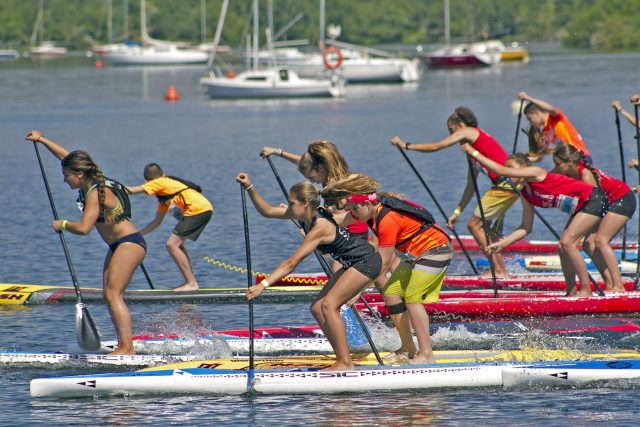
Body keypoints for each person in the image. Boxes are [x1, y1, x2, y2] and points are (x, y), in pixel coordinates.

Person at [237, 173, 382, 371]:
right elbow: (268, 211)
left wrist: (263, 285)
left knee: (329, 305)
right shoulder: (304, 214)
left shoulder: (319, 226)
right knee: (317, 307)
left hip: (366, 261)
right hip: (353, 262)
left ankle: (345, 363)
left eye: (291, 203)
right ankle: (342, 357)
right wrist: (249, 187)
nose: (288, 207)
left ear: (305, 203)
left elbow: (291, 263)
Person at [25, 130, 146, 355]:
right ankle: (123, 344)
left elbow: (83, 228)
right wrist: (42, 140)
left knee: (113, 294)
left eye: (66, 175)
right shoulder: (89, 181)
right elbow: (66, 157)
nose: (63, 179)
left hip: (129, 243)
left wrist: (62, 224)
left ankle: (127, 348)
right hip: (118, 245)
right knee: (107, 294)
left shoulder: (95, 193)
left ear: (79, 174)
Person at [321, 174, 454, 364]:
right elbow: (339, 220)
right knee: (391, 293)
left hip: (436, 250)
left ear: (367, 204)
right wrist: (312, 218)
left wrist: (357, 290)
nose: (353, 214)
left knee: (413, 298)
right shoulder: (367, 212)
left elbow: (382, 264)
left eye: (354, 209)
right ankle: (407, 349)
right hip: (415, 254)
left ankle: (426, 354)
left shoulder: (387, 221)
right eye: (351, 209)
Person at [459, 143, 608, 297]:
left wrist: (473, 152)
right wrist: (501, 244)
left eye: (512, 168)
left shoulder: (536, 173)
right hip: (581, 206)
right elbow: (526, 227)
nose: (509, 174)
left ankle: (586, 290)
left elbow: (500, 170)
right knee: (561, 247)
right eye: (508, 170)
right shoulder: (526, 193)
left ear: (524, 167)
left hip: (594, 199)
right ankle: (571, 291)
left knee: (567, 243)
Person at [390, 106, 518, 277]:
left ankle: (498, 270)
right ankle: (501, 270)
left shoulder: (470, 131)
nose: (452, 136)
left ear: (460, 125)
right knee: (484, 227)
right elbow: (470, 187)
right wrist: (456, 212)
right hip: (508, 186)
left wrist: (405, 145)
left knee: (474, 225)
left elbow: (437, 146)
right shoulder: (473, 153)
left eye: (451, 130)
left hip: (506, 184)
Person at [552, 145, 635, 293]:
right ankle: (609, 285)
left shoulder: (586, 176)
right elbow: (545, 179)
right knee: (588, 244)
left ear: (570, 162)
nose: (555, 168)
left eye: (558, 164)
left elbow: (596, 204)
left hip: (621, 200)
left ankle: (619, 286)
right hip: (602, 203)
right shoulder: (566, 170)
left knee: (600, 240)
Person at [126, 163, 213, 292]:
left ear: (147, 181)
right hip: (201, 210)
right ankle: (190, 281)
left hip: (197, 210)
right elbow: (157, 221)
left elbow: (131, 190)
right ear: (163, 173)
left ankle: (191, 283)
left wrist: (107, 187)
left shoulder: (160, 182)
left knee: (172, 244)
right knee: (177, 245)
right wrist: (139, 234)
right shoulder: (165, 195)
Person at [259, 141, 369, 242]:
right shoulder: (328, 172)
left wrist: (303, 217)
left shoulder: (335, 188)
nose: (311, 181)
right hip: (351, 231)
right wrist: (276, 151)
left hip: (352, 236)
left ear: (320, 168)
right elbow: (301, 162)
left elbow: (339, 221)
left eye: (311, 177)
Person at [517, 91, 592, 163]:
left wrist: (528, 98)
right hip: (566, 161)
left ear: (536, 113)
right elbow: (539, 157)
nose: (530, 122)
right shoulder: (544, 134)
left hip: (580, 157)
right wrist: (521, 160)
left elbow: (551, 109)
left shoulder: (554, 118)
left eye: (530, 118)